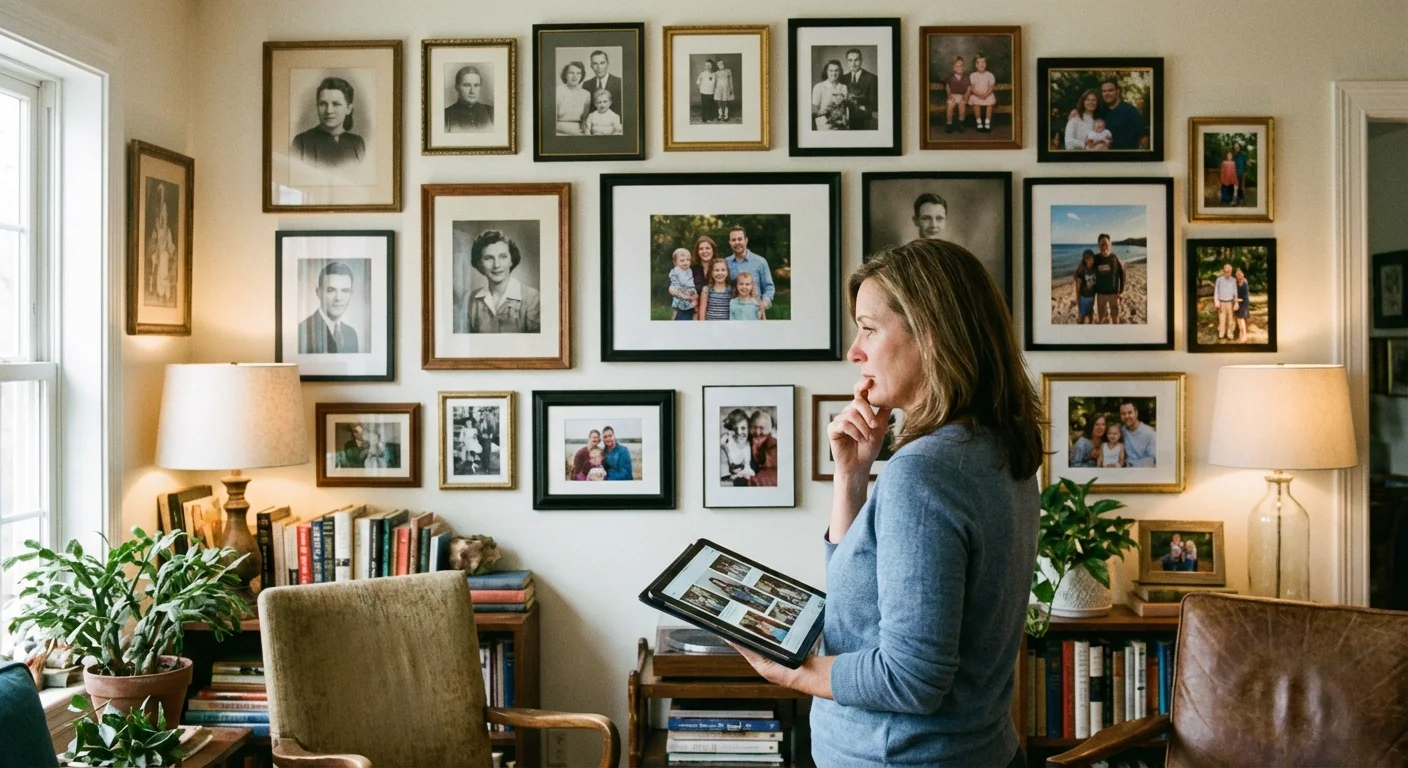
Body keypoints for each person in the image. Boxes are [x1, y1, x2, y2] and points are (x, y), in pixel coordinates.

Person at [728, 238, 1042, 767]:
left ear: (933, 335)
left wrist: (792, 671)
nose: (854, 350)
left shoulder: (923, 474)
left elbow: (911, 678)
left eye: (868, 329)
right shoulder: (997, 449)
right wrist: (852, 476)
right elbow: (860, 606)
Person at [459, 229, 541, 334]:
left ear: (511, 260)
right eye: (488, 258)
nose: (496, 265)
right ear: (479, 263)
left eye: (503, 257)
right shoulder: (474, 299)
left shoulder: (532, 297)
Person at [292, 77, 365, 167]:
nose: (329, 111)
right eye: (323, 104)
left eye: (336, 104)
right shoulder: (302, 142)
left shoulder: (357, 143)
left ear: (348, 109)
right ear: (317, 106)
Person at [299, 261, 359, 354]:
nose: (338, 298)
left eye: (345, 291)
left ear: (351, 294)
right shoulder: (302, 331)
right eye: (331, 290)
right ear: (318, 292)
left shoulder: (351, 334)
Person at [725, 226, 775, 311]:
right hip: (732, 313)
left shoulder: (760, 262)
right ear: (730, 242)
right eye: (733, 240)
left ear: (746, 240)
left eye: (740, 239)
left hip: (755, 312)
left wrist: (764, 304)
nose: (737, 242)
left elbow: (769, 287)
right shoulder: (725, 263)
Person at [147, 184, 176, 306]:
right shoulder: (158, 229)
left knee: (163, 274)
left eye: (162, 220)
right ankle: (160, 293)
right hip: (158, 254)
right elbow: (154, 241)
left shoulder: (165, 230)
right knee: (158, 273)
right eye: (159, 220)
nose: (160, 221)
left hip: (163, 254)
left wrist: (170, 252)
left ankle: (165, 295)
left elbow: (168, 242)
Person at [1098, 78, 1145, 150]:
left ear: (1117, 91)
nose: (1107, 93)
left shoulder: (1130, 111)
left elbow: (1142, 137)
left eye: (1110, 90)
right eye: (1104, 91)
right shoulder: (1101, 111)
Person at [444, 65, 493, 132]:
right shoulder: (446, 115)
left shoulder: (490, 112)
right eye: (467, 85)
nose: (472, 91)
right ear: (457, 88)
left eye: (476, 85)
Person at [1091, 235, 1125, 325]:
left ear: (1110, 244)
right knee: (1101, 316)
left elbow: (1122, 274)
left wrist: (1121, 291)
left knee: (1115, 316)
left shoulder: (1114, 258)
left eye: (1106, 243)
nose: (1104, 246)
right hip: (1100, 294)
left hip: (1114, 294)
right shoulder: (1095, 258)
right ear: (1098, 245)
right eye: (1101, 244)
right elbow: (1088, 272)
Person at [554, 61, 591, 135]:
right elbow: (551, 122)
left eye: (578, 73)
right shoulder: (557, 91)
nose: (575, 77)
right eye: (571, 73)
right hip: (559, 132)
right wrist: (571, 131)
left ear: (582, 75)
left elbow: (584, 120)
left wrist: (586, 131)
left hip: (579, 132)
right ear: (565, 74)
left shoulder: (586, 94)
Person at [844, 48, 878, 130]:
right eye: (850, 60)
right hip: (846, 122)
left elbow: (875, 103)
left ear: (861, 60)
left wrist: (863, 107)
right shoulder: (843, 78)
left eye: (856, 60)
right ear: (847, 62)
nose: (853, 64)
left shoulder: (872, 78)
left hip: (865, 122)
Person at [811, 60, 849, 129]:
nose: (833, 73)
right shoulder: (819, 87)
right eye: (831, 71)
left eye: (836, 70)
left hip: (841, 125)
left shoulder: (844, 87)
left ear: (840, 72)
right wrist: (826, 112)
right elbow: (814, 111)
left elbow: (845, 109)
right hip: (824, 124)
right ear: (826, 72)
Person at [721, 408, 754, 484]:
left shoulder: (747, 444)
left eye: (743, 428)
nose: (739, 432)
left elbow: (747, 465)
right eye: (735, 429)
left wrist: (745, 472)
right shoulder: (726, 442)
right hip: (727, 478)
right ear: (731, 430)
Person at [1119, 401, 1157, 468]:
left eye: (1130, 412)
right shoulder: (1121, 431)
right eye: (1123, 414)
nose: (1126, 416)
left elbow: (1154, 459)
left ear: (1136, 413)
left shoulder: (1149, 433)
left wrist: (1133, 466)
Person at [586, 50, 623, 117]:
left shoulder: (620, 83)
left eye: (602, 63)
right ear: (591, 66)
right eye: (595, 64)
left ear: (607, 64)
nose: (599, 67)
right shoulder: (586, 85)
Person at [748, 409, 779, 487]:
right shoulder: (746, 440)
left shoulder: (774, 444)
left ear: (769, 429)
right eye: (754, 427)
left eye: (761, 428)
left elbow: (770, 465)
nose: (757, 432)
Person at [966, 53, 996, 133]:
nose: (981, 64)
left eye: (983, 62)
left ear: (986, 64)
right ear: (975, 65)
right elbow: (971, 88)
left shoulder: (990, 75)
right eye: (978, 63)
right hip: (976, 94)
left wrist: (986, 94)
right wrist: (978, 94)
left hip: (987, 94)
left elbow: (991, 87)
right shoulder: (973, 75)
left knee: (990, 104)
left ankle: (987, 123)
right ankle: (979, 123)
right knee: (976, 104)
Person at [667, 247, 698, 321]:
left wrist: (693, 294)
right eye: (682, 260)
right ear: (675, 262)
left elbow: (691, 283)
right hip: (681, 301)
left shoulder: (689, 270)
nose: (686, 262)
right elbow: (676, 288)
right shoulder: (675, 272)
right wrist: (687, 296)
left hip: (691, 301)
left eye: (688, 260)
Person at [943, 56, 970, 133]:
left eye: (960, 66)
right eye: (956, 66)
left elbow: (969, 88)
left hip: (962, 95)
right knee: (950, 105)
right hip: (953, 95)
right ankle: (949, 124)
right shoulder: (950, 77)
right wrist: (949, 95)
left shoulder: (966, 77)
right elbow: (947, 87)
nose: (958, 68)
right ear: (953, 68)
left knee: (962, 105)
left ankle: (961, 124)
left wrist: (966, 97)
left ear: (963, 67)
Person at [1072, 250, 1098, 324]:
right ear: (1084, 259)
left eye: (1092, 259)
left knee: (1090, 313)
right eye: (1088, 259)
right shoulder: (1082, 270)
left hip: (1092, 296)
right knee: (1082, 315)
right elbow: (1077, 287)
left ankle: (1090, 323)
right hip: (1083, 297)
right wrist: (1077, 299)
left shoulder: (1094, 268)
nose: (1090, 261)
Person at [1213, 263, 1238, 340]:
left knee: (1230, 319)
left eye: (1229, 271)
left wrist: (1236, 302)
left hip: (1230, 302)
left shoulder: (1233, 280)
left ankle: (1230, 333)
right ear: (1223, 271)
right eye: (1225, 271)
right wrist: (1216, 301)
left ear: (1231, 271)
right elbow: (1216, 291)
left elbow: (1235, 292)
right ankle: (1221, 333)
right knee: (1222, 318)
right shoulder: (1219, 280)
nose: (1227, 273)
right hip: (1221, 302)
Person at [713, 57, 734, 122]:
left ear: (723, 64)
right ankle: (720, 115)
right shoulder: (716, 73)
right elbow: (714, 82)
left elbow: (730, 80)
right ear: (717, 65)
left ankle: (726, 116)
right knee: (719, 102)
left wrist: (731, 89)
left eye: (721, 63)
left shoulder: (728, 71)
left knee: (725, 102)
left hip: (726, 89)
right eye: (718, 64)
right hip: (718, 89)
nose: (720, 65)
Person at [1235, 267, 1252, 343]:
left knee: (1241, 319)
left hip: (1244, 302)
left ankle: (1244, 334)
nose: (1238, 274)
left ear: (1243, 274)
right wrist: (1236, 300)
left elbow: (1246, 295)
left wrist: (1239, 299)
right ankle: (1240, 333)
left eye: (1240, 272)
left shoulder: (1245, 281)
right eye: (1237, 273)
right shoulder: (1235, 282)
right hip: (1237, 302)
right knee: (1238, 319)